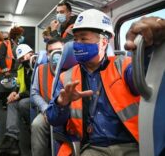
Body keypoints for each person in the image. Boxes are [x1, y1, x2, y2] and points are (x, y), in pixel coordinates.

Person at [46, 9, 152, 156]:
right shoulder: (67, 77)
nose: (77, 44)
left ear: (103, 42)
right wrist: (61, 103)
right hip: (93, 147)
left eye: (83, 39)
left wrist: (148, 50)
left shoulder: (123, 66)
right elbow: (53, 119)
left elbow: (144, 78)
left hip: (131, 144)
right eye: (75, 39)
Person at [0, 44, 34, 156]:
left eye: (24, 57)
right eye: (20, 59)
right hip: (27, 95)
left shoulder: (38, 65)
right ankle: (12, 138)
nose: (22, 60)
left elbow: (35, 89)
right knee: (12, 102)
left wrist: (20, 95)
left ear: (31, 53)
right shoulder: (21, 68)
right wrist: (14, 92)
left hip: (38, 97)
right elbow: (19, 84)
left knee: (22, 103)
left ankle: (32, 129)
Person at [31, 39, 63, 156]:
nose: (55, 54)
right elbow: (34, 92)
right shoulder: (40, 69)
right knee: (37, 125)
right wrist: (45, 109)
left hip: (68, 111)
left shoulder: (72, 68)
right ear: (47, 54)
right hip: (47, 109)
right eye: (51, 51)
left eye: (59, 50)